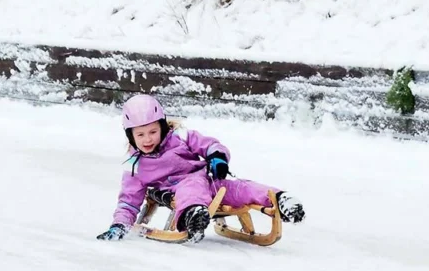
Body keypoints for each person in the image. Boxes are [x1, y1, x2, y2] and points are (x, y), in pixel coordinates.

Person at [96, 94, 305, 243]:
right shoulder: (135, 166)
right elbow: (128, 200)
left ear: (162, 126)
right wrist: (120, 224)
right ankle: (192, 216)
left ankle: (280, 200)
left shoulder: (180, 137)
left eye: (153, 131)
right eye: (140, 135)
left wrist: (217, 158)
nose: (148, 139)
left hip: (209, 181)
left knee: (241, 188)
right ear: (130, 136)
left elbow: (210, 144)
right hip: (178, 190)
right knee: (191, 187)